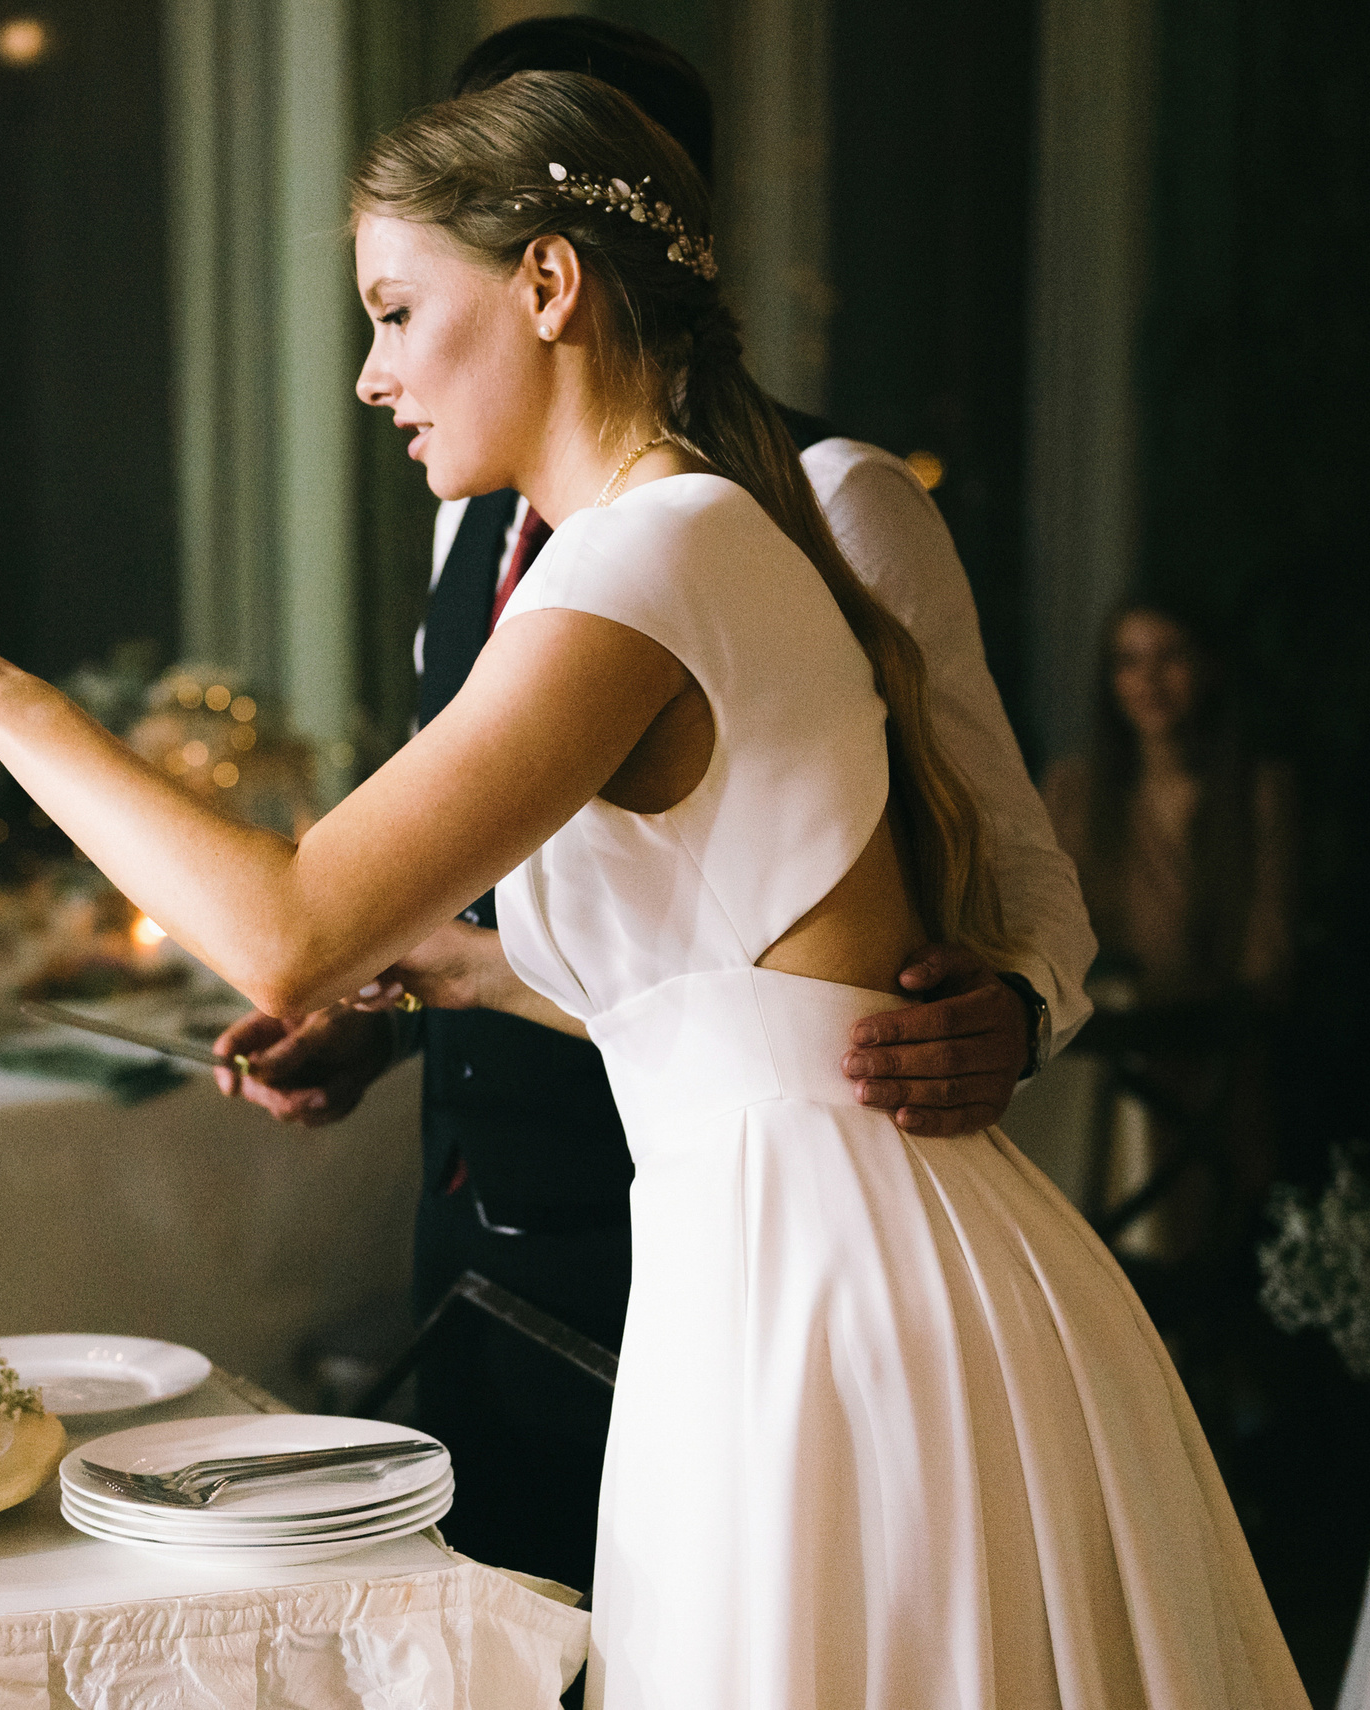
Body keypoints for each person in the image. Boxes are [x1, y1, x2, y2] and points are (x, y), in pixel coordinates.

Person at [0, 71, 1302, 1705]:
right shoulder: (680, 536)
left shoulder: (660, 554)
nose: (371, 377)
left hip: (831, 1301)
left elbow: (286, 931)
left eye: (396, 308)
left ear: (551, 283)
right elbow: (741, 990)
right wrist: (464, 974)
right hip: (765, 1270)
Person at [207, 14, 1096, 1595]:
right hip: (482, 1233)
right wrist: (401, 1002)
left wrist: (1017, 1007)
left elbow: (1009, 868)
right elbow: (614, 876)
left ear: (570, 254)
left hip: (727, 1236)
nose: (392, 355)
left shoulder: (830, 500)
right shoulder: (480, 522)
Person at [1044, 600, 1293, 1262]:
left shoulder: (1254, 793)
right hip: (1092, 1048)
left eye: (1171, 657)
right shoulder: (1075, 792)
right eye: (1129, 662)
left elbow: (1266, 964)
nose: (1149, 681)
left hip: (1205, 1057)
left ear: (1208, 667)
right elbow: (1040, 928)